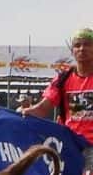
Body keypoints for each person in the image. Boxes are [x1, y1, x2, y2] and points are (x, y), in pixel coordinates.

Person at [23, 27, 93, 166]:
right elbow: (42, 109)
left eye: (87, 44)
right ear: (72, 50)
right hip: (69, 145)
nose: (82, 49)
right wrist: (24, 113)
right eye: (77, 45)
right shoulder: (63, 79)